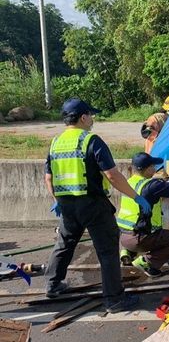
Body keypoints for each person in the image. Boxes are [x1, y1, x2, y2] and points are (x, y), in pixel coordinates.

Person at [44, 98, 152, 313]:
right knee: (108, 250)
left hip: (67, 205)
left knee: (65, 243)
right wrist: (136, 196)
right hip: (92, 203)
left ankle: (53, 285)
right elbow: (112, 175)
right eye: (90, 115)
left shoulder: (55, 142)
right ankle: (114, 299)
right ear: (83, 117)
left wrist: (57, 200)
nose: (92, 119)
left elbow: (49, 177)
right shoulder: (91, 140)